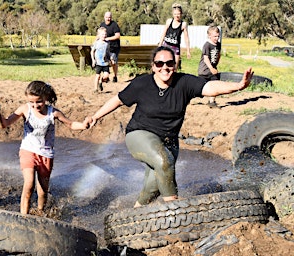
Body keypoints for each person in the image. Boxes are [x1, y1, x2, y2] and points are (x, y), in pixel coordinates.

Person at [85, 46, 253, 207]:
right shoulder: (142, 83)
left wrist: (238, 86)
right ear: (153, 66)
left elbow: (210, 87)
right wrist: (95, 117)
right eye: (159, 63)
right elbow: (118, 100)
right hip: (139, 134)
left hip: (169, 141)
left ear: (175, 64)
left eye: (169, 63)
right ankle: (175, 211)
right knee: (164, 162)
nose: (164, 68)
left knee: (155, 186)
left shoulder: (184, 82)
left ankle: (134, 215)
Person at [0, 81, 88, 215]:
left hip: (46, 154)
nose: (35, 105)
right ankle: (23, 216)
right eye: (31, 102)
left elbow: (71, 124)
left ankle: (40, 213)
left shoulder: (53, 113)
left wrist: (84, 125)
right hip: (28, 150)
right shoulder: (25, 109)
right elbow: (5, 123)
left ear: (46, 97)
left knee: (42, 191)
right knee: (29, 184)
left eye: (39, 102)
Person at [158, 3, 191, 70]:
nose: (177, 16)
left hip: (175, 47)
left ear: (181, 14)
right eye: (175, 14)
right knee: (164, 64)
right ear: (173, 14)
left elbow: (186, 38)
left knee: (174, 67)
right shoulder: (169, 21)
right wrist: (160, 45)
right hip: (166, 45)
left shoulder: (183, 24)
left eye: (178, 14)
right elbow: (163, 33)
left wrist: (188, 51)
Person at [198, 25, 222, 108]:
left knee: (215, 83)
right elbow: (206, 58)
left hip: (212, 69)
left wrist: (215, 66)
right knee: (199, 87)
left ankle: (212, 101)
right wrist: (211, 68)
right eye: (215, 36)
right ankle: (187, 97)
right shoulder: (207, 45)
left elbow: (219, 55)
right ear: (209, 36)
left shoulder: (218, 45)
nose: (217, 38)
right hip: (204, 70)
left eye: (218, 36)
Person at [99, 11, 121, 83]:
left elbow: (117, 36)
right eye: (107, 17)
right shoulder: (102, 25)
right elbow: (99, 34)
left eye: (109, 17)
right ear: (104, 17)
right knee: (105, 62)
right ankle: (106, 76)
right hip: (105, 47)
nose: (108, 19)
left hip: (114, 47)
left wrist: (108, 38)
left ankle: (115, 76)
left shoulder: (114, 25)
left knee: (113, 62)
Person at [91, 27, 113, 93]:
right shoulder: (96, 43)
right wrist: (93, 60)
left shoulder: (107, 43)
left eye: (105, 34)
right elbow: (92, 51)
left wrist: (111, 58)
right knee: (97, 75)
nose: (104, 36)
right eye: (102, 34)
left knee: (106, 76)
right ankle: (95, 89)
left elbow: (109, 52)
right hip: (98, 63)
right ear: (99, 35)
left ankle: (101, 81)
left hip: (105, 63)